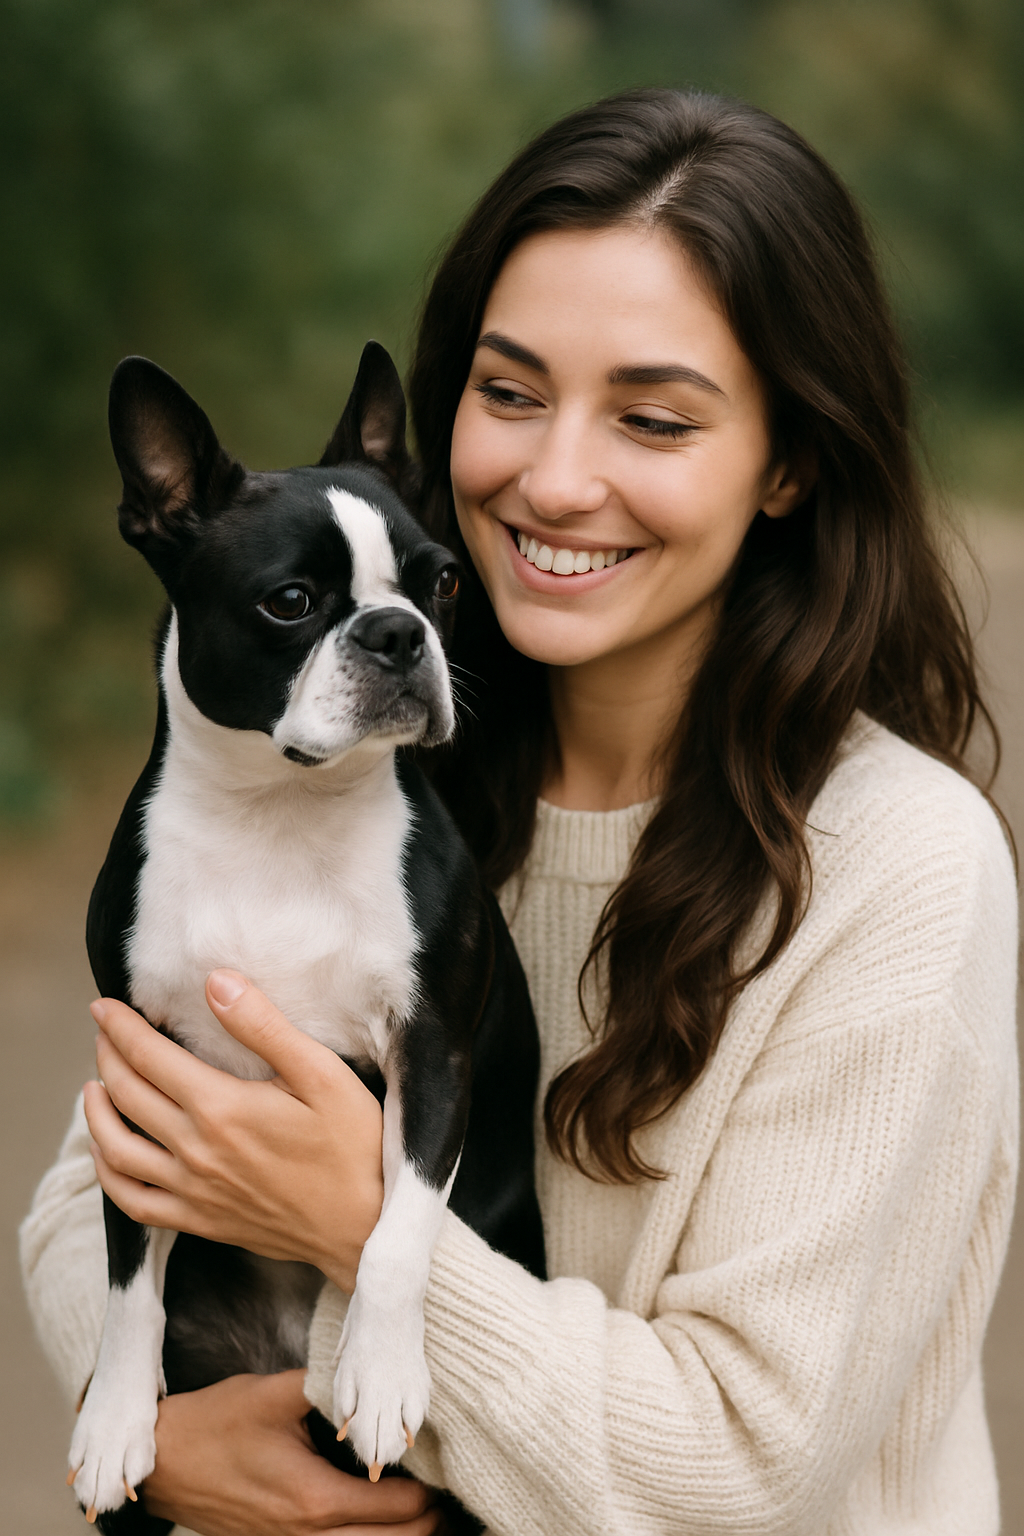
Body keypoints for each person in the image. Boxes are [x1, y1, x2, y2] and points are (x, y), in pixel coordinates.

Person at [21, 88, 1018, 1536]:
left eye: (654, 417)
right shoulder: (372, 767)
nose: (554, 479)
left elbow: (740, 1464)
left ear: (792, 461)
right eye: (509, 393)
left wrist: (355, 1226)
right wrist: (163, 1438)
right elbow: (92, 1186)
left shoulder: (896, 866)